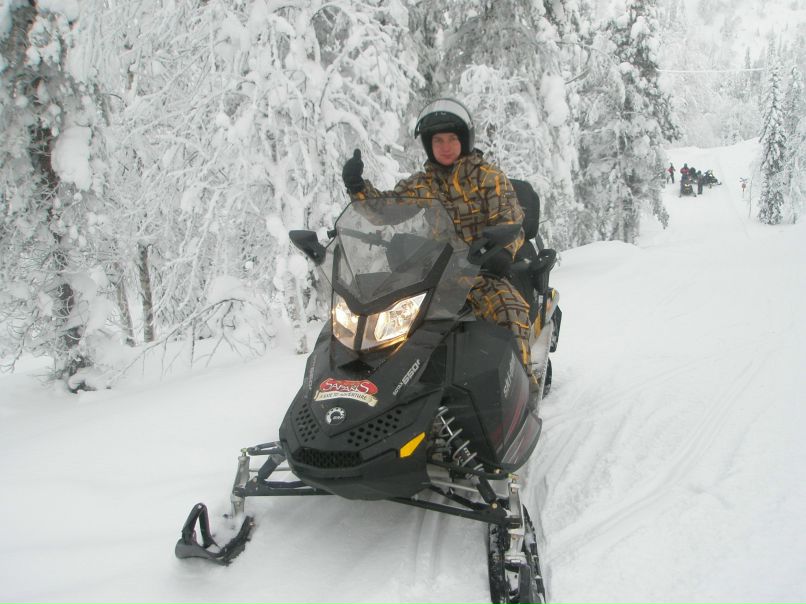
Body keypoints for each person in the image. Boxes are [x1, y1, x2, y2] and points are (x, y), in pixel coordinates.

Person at [340, 97, 537, 387]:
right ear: (429, 146)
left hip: (482, 272)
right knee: (389, 322)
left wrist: (500, 252)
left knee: (509, 311)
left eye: (452, 139)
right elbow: (386, 210)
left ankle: (524, 386)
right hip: (436, 276)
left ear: (465, 141)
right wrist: (358, 188)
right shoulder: (424, 183)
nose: (446, 147)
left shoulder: (488, 178)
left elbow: (511, 221)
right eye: (438, 141)